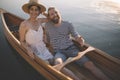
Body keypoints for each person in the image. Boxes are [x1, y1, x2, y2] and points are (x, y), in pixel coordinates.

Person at [45, 7, 110, 80]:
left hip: (72, 49)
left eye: (56, 12)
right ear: (49, 16)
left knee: (90, 65)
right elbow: (47, 38)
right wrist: (46, 46)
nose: (55, 15)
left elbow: (76, 35)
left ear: (59, 13)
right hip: (59, 52)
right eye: (52, 14)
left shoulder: (68, 24)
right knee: (58, 64)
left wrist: (80, 39)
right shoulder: (47, 25)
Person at [19, 0, 80, 80]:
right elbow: (22, 41)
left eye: (36, 9)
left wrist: (42, 12)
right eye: (32, 9)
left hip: (43, 49)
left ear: (39, 11)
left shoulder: (40, 20)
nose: (34, 12)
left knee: (57, 65)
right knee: (48, 65)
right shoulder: (24, 24)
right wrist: (28, 49)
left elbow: (49, 18)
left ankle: (76, 78)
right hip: (33, 50)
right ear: (28, 11)